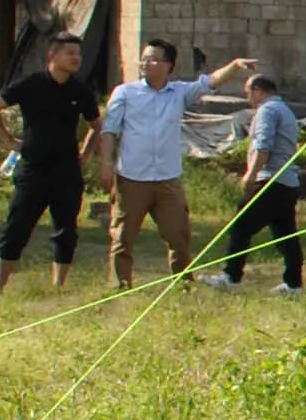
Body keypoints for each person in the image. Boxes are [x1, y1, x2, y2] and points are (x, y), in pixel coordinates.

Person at [97, 38, 255, 289]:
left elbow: (210, 81)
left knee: (178, 236)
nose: (146, 63)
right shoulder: (125, 93)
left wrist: (235, 66)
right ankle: (120, 285)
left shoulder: (179, 92)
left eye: (153, 59)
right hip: (132, 178)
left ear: (168, 66)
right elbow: (109, 131)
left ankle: (182, 284)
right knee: (123, 236)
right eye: (144, 58)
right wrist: (106, 163)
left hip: (167, 178)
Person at [0, 31, 102, 294]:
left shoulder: (80, 90)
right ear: (53, 55)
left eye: (78, 53)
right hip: (33, 168)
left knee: (66, 230)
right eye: (70, 53)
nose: (76, 58)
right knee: (16, 227)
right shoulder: (31, 84)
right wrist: (8, 140)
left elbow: (96, 126)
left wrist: (85, 155)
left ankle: (58, 286)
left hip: (66, 170)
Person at [201, 72, 305, 295]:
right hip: (287, 181)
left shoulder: (267, 110)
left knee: (240, 224)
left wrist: (251, 174)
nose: (247, 97)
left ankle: (231, 276)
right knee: (285, 233)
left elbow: (264, 146)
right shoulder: (285, 110)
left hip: (270, 179)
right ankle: (294, 284)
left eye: (248, 92)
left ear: (259, 91)